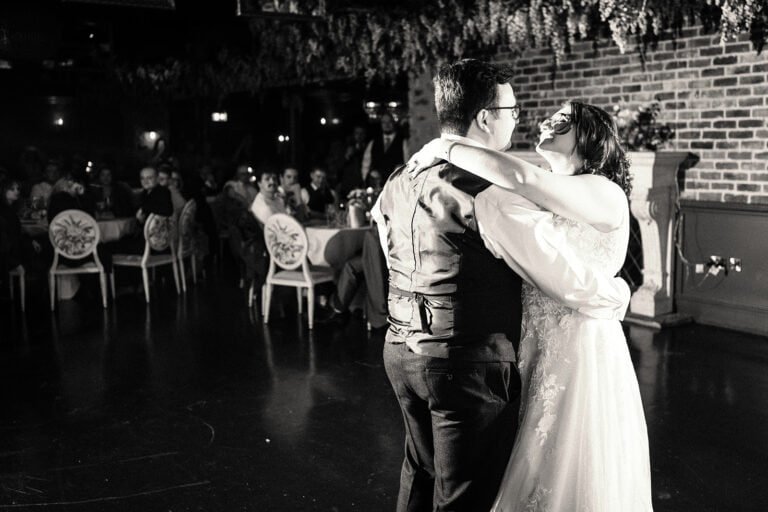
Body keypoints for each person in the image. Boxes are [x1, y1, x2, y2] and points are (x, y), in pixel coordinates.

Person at [371, 59, 631, 512]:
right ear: (486, 117)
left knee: (421, 474)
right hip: (465, 358)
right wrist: (617, 294)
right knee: (463, 497)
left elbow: (388, 241)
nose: (523, 118)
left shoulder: (400, 178)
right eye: (511, 110)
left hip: (402, 349)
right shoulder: (492, 196)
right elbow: (561, 274)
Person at [360, 112, 410, 182]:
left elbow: (407, 161)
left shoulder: (403, 142)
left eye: (389, 121)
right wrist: (365, 179)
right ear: (381, 124)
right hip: (377, 184)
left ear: (393, 123)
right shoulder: (373, 142)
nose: (387, 125)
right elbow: (366, 163)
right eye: (384, 122)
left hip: (395, 183)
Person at [337, 124, 368, 197]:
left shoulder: (368, 148)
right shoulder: (345, 147)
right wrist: (346, 156)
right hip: (347, 187)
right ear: (353, 134)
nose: (359, 136)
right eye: (357, 133)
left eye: (361, 133)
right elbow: (338, 167)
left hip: (363, 186)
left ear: (365, 135)